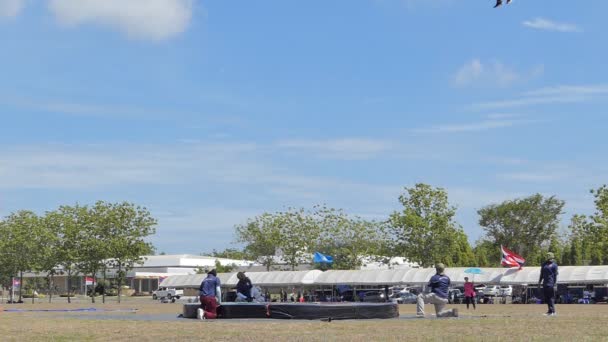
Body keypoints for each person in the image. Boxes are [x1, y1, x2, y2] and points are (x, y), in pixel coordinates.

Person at [538, 252, 558, 316]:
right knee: (546, 298)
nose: (548, 257)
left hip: (551, 283)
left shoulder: (554, 265)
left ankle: (553, 312)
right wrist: (539, 282)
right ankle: (549, 311)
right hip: (545, 284)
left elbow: (555, 276)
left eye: (549, 256)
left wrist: (555, 284)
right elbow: (541, 274)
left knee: (551, 298)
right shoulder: (544, 264)